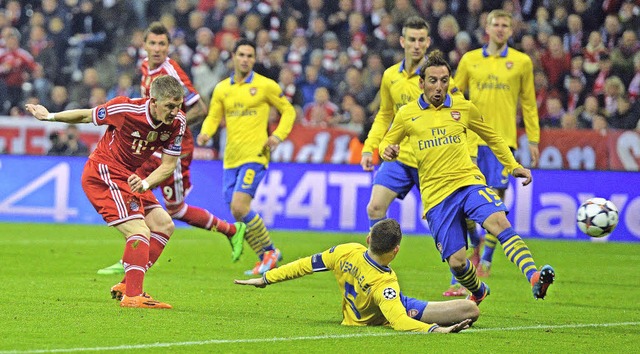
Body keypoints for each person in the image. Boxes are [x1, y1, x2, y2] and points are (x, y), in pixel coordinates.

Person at [380, 50, 555, 304]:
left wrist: (513, 164)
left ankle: (533, 276)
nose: (439, 87)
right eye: (432, 81)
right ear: (421, 83)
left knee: (498, 221)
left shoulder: (463, 108)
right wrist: (388, 150)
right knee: (457, 262)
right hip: (437, 197)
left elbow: (492, 136)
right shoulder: (407, 114)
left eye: (444, 80)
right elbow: (387, 142)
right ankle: (479, 290)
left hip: (468, 183)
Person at [25, 75, 187, 309]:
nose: (174, 111)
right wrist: (49, 116)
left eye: (178, 105)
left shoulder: (178, 122)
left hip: (131, 177)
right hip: (103, 172)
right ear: (153, 101)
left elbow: (168, 166)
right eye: (169, 106)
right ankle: (133, 296)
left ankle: (126, 285)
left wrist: (144, 184)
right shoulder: (126, 109)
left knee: (163, 225)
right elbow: (86, 115)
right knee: (139, 231)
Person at [97, 21, 246, 276]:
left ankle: (231, 230)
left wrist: (172, 132)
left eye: (162, 44)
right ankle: (131, 258)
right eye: (152, 43)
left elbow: (200, 107)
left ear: (169, 47)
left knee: (168, 205)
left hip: (173, 151)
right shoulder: (145, 67)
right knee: (139, 190)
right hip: (153, 144)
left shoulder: (171, 73)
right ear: (144, 45)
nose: (156, 49)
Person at [359, 16, 481, 297]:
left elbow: (463, 114)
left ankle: (463, 268)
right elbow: (385, 116)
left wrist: (469, 153)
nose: (416, 45)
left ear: (428, 43)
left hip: (435, 161)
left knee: (451, 220)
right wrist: (370, 147)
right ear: (402, 42)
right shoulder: (391, 76)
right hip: (401, 159)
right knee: (374, 208)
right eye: (411, 40)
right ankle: (374, 270)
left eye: (421, 40)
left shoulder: (438, 78)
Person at [235, 219, 477, 333]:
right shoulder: (386, 282)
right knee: (471, 310)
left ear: (368, 239)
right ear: (396, 251)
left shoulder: (346, 251)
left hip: (362, 311)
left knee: (467, 310)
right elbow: (400, 322)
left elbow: (304, 265)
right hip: (390, 306)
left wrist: (266, 278)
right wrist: (438, 330)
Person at [197, 38, 296, 275]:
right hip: (230, 158)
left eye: (250, 56)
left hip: (255, 155)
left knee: (240, 206)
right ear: (233, 56)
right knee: (236, 210)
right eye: (241, 55)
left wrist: (278, 136)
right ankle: (265, 256)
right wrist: (205, 133)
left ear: (255, 59)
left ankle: (270, 251)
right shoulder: (222, 88)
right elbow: (213, 116)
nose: (245, 59)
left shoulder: (266, 86)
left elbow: (288, 111)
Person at [454, 10, 541, 278]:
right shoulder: (470, 60)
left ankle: (487, 261)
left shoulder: (521, 62)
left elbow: (528, 102)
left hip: (502, 142)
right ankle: (474, 243)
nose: (501, 29)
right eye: (496, 24)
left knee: (496, 201)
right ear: (487, 28)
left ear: (511, 31)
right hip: (470, 141)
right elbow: (454, 96)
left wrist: (534, 139)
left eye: (506, 25)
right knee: (464, 200)